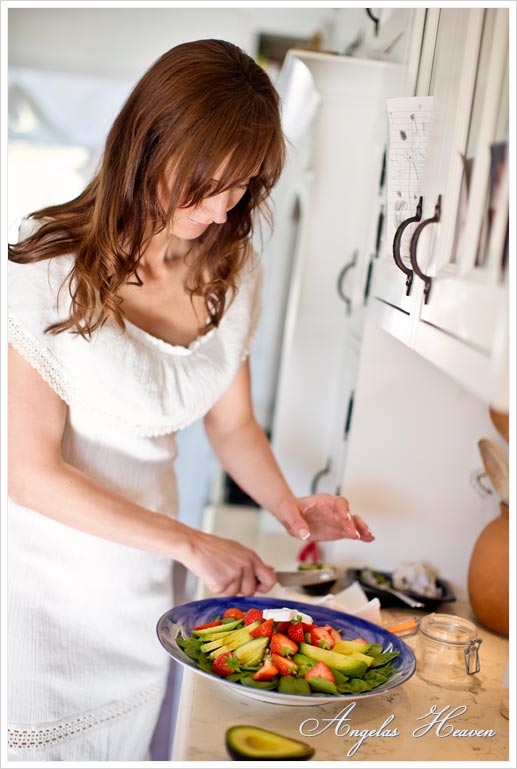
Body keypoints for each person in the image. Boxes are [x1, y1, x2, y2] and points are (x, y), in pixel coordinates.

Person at [7, 39, 374, 761]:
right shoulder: (45, 267)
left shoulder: (231, 274)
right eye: (203, 183)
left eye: (238, 189)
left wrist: (289, 508)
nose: (215, 209)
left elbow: (231, 422)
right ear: (148, 142)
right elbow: (27, 473)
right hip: (39, 599)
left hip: (142, 586)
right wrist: (192, 542)